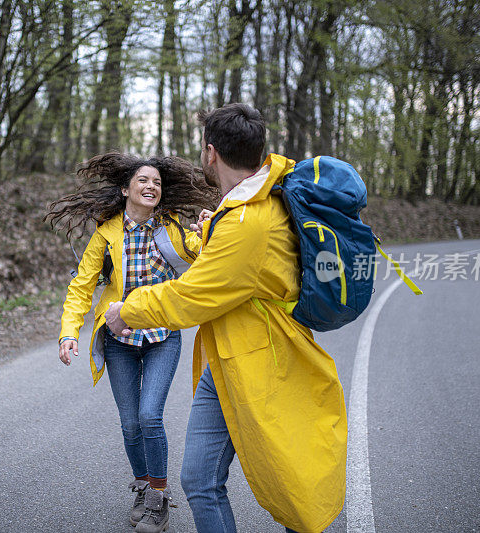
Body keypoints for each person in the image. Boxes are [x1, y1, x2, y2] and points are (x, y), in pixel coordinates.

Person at [105, 104, 348, 533]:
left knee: (290, 484)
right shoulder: (246, 204)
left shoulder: (248, 221)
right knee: (199, 480)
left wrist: (128, 310)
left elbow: (195, 296)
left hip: (263, 361)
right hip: (226, 362)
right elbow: (228, 270)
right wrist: (207, 233)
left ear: (210, 152)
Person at [46, 152, 218, 533]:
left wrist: (209, 228)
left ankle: (158, 498)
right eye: (143, 180)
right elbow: (82, 286)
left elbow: (200, 251)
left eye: (156, 182)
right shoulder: (106, 234)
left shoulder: (171, 226)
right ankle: (142, 487)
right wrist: (68, 332)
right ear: (126, 189)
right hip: (120, 338)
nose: (151, 186)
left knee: (149, 416)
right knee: (129, 424)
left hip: (161, 336)